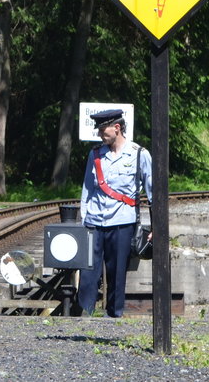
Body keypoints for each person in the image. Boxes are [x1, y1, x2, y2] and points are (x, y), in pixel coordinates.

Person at [77, 108, 153, 317]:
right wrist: (84, 219)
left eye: (103, 130)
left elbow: (152, 191)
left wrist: (156, 227)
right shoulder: (95, 155)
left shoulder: (139, 154)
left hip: (122, 222)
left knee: (117, 273)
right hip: (94, 221)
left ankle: (113, 315)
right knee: (87, 271)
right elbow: (87, 189)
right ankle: (85, 313)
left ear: (117, 127)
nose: (100, 134)